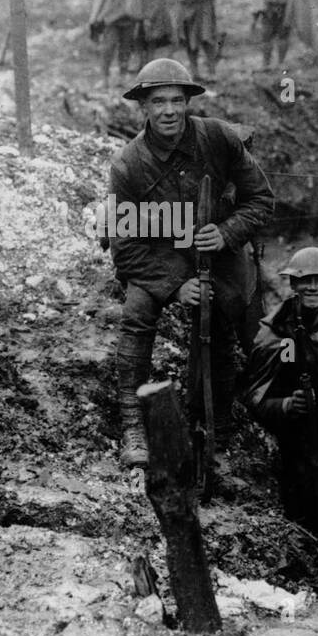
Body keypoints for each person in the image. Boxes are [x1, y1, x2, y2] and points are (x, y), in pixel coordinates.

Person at [107, 58, 274, 471]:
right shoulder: (127, 164)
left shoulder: (218, 138)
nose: (168, 111)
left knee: (235, 311)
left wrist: (228, 232)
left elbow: (261, 200)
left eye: (177, 100)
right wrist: (174, 286)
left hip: (214, 246)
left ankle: (221, 415)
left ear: (188, 103)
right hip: (160, 256)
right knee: (137, 312)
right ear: (143, 107)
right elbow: (123, 246)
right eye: (158, 101)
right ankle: (133, 424)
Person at [244, 247, 318, 575]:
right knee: (304, 514)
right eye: (305, 281)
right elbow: (256, 397)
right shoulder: (277, 334)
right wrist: (285, 405)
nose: (313, 287)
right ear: (293, 285)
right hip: (295, 444)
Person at [89, 0, 143, 86]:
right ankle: (105, 77)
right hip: (111, 17)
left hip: (129, 17)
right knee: (108, 47)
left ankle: (122, 77)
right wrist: (95, 17)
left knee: (126, 48)